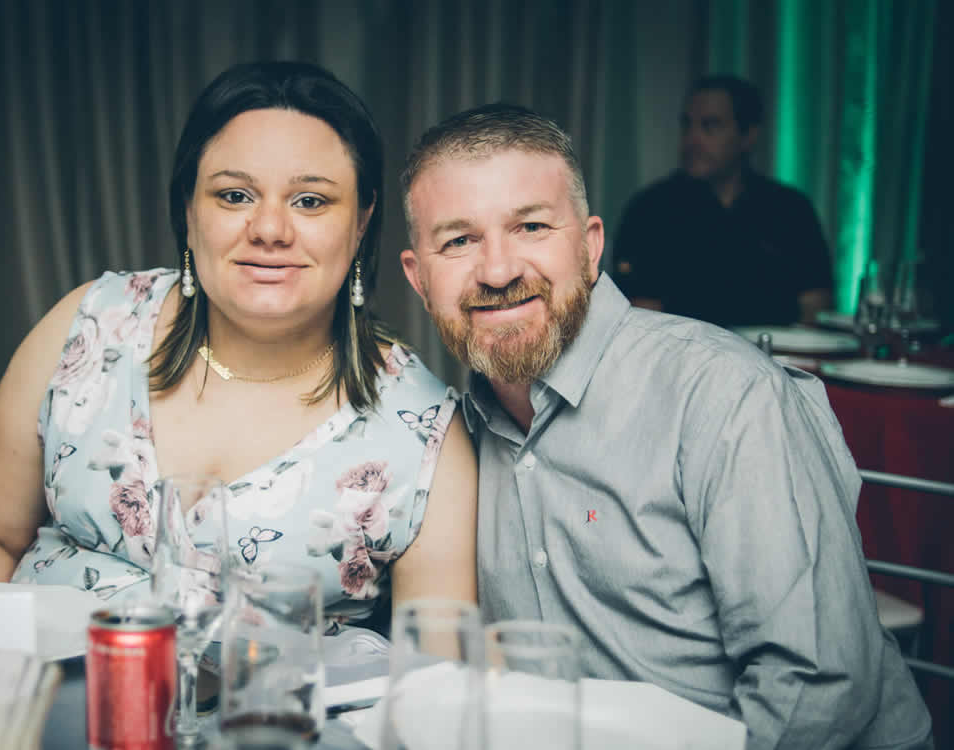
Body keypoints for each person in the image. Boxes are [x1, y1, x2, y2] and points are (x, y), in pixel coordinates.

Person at [399, 103, 931, 749]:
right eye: (458, 241)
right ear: (418, 279)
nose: (498, 270)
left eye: (531, 227)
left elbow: (817, 689)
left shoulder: (724, 395)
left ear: (590, 247)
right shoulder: (446, 439)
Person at [0, 61, 478, 628]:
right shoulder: (91, 324)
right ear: (189, 211)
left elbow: (435, 668)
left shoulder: (424, 433)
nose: (269, 230)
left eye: (310, 201)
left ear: (361, 222)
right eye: (235, 196)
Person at [612, 75, 834, 328]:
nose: (693, 139)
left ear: (748, 136)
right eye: (687, 125)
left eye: (710, 126)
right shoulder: (651, 210)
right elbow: (641, 319)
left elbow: (815, 308)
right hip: (683, 351)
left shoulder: (789, 210)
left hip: (775, 351)